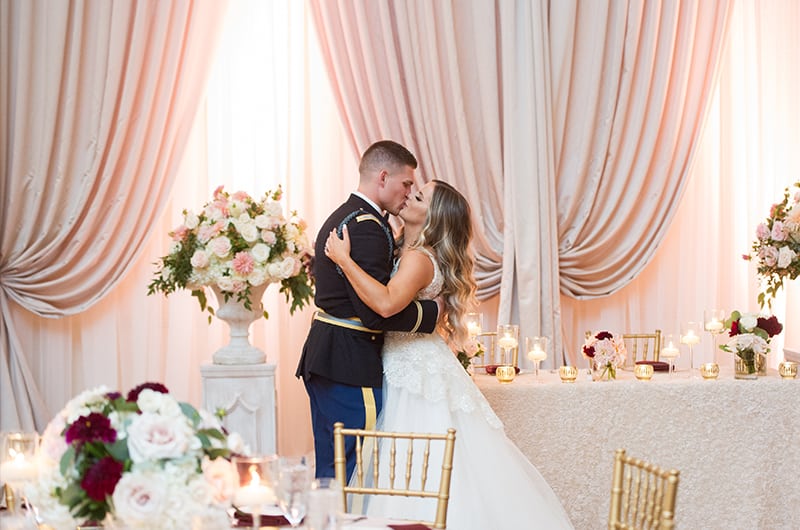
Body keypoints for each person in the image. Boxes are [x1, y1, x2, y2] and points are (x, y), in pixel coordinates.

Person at [324, 179, 574, 529]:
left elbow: (384, 303)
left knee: (416, 461)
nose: (410, 195)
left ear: (433, 217)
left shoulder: (418, 258)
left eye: (420, 196)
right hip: (409, 362)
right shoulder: (405, 250)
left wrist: (344, 260)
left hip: (414, 371)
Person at [295, 140, 440, 480]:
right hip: (349, 361)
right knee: (355, 467)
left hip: (331, 355)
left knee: (334, 467)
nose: (408, 192)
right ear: (384, 177)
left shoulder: (351, 217)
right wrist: (431, 314)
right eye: (406, 183)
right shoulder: (368, 228)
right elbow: (377, 312)